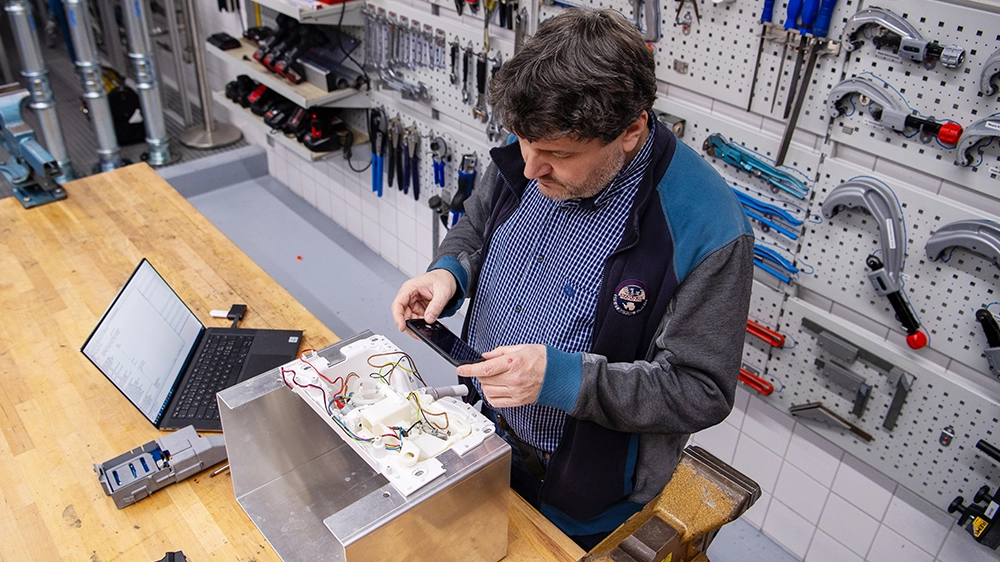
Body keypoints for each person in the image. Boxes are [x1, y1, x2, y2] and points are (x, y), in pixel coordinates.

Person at [391, 8, 754, 549]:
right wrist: (450, 272)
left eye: (558, 155)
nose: (532, 170)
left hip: (584, 491)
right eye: (523, 145)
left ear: (631, 130)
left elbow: (700, 391)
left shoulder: (708, 228)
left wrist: (563, 379)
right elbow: (475, 222)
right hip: (481, 434)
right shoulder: (535, 147)